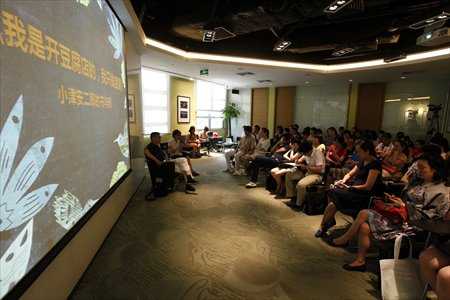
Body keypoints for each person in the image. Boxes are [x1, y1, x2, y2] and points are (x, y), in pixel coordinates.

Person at [330, 153, 450, 272]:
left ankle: (345, 239)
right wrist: (396, 201)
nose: (418, 170)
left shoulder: (440, 190)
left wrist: (405, 206)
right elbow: (405, 201)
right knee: (364, 226)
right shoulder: (417, 182)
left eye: (422, 167)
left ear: (434, 169)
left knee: (364, 213)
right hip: (401, 216)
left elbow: (431, 216)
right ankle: (360, 261)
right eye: (418, 166)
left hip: (415, 225)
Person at [315, 140, 383, 238]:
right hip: (353, 191)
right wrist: (343, 180)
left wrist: (351, 187)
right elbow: (350, 173)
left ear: (367, 151)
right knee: (332, 205)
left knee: (332, 192)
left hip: (364, 195)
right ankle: (323, 225)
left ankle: (328, 223)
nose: (358, 154)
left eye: (359, 152)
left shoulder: (375, 164)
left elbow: (368, 186)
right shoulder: (362, 161)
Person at [284, 141, 325, 209]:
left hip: (317, 175)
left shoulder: (318, 153)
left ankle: (299, 204)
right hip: (308, 173)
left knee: (301, 184)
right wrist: (298, 161)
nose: (305, 155)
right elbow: (301, 159)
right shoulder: (306, 152)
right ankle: (293, 197)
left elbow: (319, 169)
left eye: (305, 153)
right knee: (289, 176)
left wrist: (306, 167)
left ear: (310, 150)